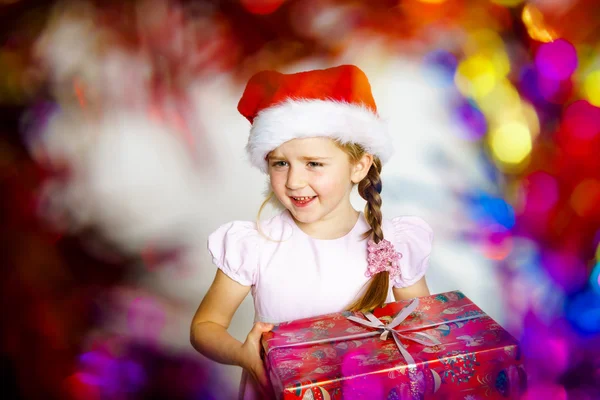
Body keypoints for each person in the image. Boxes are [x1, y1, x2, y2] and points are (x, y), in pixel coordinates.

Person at [190, 65, 433, 399]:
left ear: (359, 166)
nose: (293, 181)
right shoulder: (256, 245)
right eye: (280, 163)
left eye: (314, 163)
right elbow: (205, 327)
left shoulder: (394, 245)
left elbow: (427, 331)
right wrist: (242, 354)